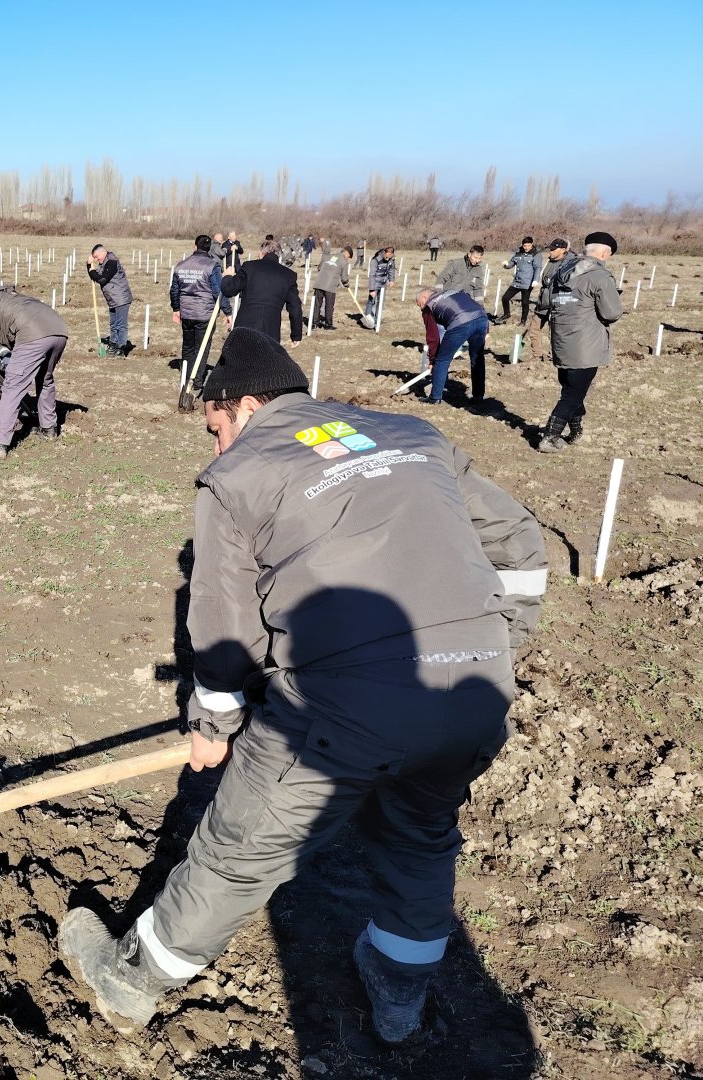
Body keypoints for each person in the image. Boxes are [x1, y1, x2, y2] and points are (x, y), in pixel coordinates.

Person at [59, 328, 548, 1043]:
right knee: (421, 837)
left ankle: (132, 979)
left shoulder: (238, 475)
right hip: (476, 692)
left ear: (246, 405)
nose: (215, 446)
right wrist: (503, 641)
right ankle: (398, 988)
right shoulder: (413, 432)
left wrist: (214, 721)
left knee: (238, 849)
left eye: (216, 428)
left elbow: (226, 630)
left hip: (341, 711)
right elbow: (517, 540)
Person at [535, 232, 622, 453]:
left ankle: (575, 431)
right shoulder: (600, 276)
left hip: (561, 341)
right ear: (604, 252)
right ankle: (550, 436)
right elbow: (611, 313)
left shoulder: (561, 271)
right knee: (573, 394)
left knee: (571, 389)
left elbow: (547, 302)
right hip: (586, 346)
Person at [0, 285, 69, 457]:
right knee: (45, 379)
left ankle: (0, 443)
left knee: (12, 386)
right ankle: (49, 428)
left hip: (33, 334)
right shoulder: (12, 297)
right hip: (59, 330)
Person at [170, 236, 232, 393]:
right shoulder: (212, 266)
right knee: (201, 348)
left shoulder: (181, 265)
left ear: (195, 246)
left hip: (187, 313)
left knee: (188, 346)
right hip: (205, 315)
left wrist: (176, 309)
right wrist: (228, 311)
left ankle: (186, 377)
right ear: (210, 248)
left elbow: (174, 290)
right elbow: (218, 291)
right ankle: (196, 381)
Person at [220, 239, 304, 346]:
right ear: (279, 255)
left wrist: (227, 277)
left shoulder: (249, 267)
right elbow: (295, 308)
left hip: (244, 327)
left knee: (241, 360)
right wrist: (296, 335)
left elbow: (229, 290)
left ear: (261, 253)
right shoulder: (288, 275)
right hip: (271, 331)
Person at [416, 286, 490, 406]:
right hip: (482, 318)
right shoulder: (453, 291)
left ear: (424, 297)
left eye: (420, 304)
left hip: (461, 322)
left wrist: (432, 360)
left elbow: (433, 338)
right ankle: (478, 396)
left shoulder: (429, 306)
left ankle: (435, 398)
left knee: (442, 360)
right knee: (477, 359)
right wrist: (486, 330)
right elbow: (473, 304)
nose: (421, 308)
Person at [524, 239, 570, 361]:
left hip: (557, 304)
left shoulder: (569, 264)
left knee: (555, 332)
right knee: (533, 329)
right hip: (543, 303)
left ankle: (553, 357)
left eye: (553, 249)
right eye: (550, 249)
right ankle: (537, 356)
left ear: (563, 250)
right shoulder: (550, 261)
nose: (550, 251)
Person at [88, 244, 135, 356]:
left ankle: (121, 348)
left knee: (121, 325)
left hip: (121, 298)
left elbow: (102, 279)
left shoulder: (112, 262)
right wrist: (89, 265)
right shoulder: (103, 263)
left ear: (102, 252)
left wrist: (92, 270)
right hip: (113, 299)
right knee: (113, 324)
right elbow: (94, 276)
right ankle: (113, 345)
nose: (96, 259)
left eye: (96, 256)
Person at [492, 237, 542, 326]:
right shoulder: (518, 253)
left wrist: (535, 280)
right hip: (517, 281)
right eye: (525, 246)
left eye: (528, 246)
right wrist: (506, 265)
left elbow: (537, 268)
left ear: (532, 244)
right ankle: (506, 314)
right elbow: (511, 263)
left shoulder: (536, 254)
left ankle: (523, 321)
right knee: (505, 298)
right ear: (522, 245)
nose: (526, 248)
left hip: (528, 283)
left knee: (525, 302)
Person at [311, 246, 353, 330]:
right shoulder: (344, 262)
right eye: (348, 257)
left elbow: (319, 268)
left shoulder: (327, 256)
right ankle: (328, 325)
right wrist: (346, 284)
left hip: (319, 283)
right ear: (346, 253)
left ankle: (314, 323)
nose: (348, 259)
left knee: (317, 305)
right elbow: (344, 278)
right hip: (330, 286)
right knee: (329, 305)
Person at [363, 246, 397, 324]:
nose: (389, 257)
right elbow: (372, 275)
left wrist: (391, 280)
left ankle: (376, 320)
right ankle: (367, 320)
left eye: (391, 255)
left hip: (383, 284)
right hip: (375, 284)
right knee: (371, 301)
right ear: (385, 252)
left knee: (380, 302)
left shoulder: (392, 259)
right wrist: (372, 289)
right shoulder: (375, 260)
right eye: (388, 255)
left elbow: (391, 269)